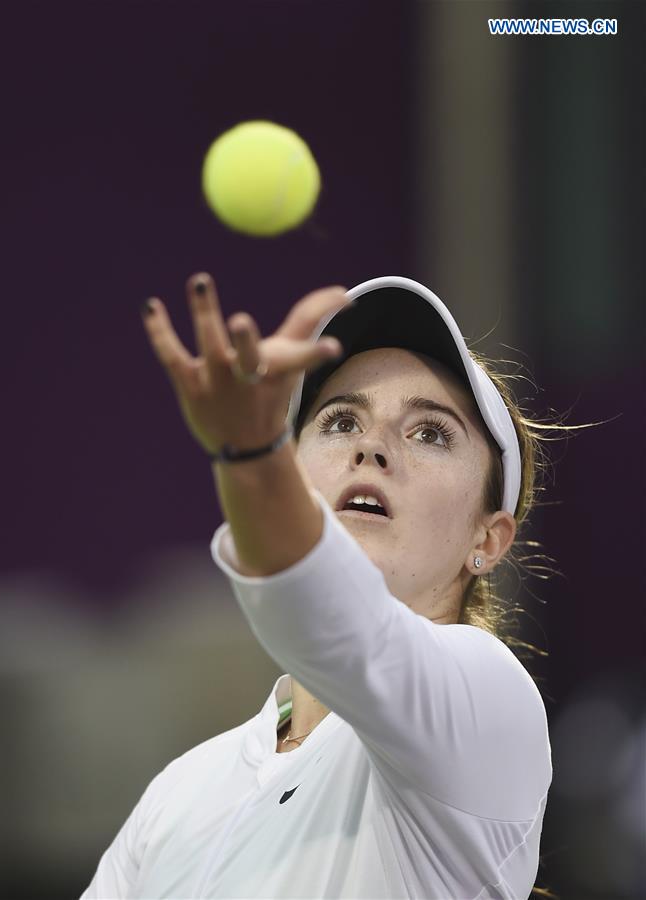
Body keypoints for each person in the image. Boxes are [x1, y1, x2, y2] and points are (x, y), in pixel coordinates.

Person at [80, 273, 554, 899]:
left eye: (431, 432)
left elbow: (330, 621)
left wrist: (250, 457)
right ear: (299, 474)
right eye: (339, 422)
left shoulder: (489, 704)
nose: (372, 447)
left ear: (486, 542)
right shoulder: (179, 792)